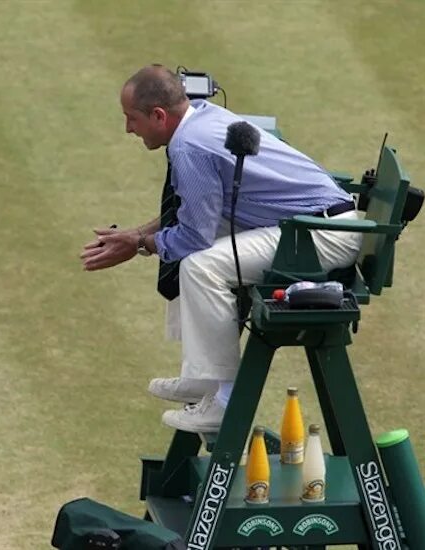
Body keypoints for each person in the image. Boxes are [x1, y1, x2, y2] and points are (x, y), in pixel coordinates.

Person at [80, 65, 361, 432]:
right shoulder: (203, 117)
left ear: (159, 116)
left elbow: (193, 236)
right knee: (197, 254)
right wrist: (137, 236)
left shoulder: (189, 147)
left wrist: (140, 245)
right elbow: (192, 213)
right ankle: (201, 377)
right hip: (311, 224)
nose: (128, 129)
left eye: (131, 119)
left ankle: (223, 401)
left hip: (321, 234)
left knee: (200, 264)